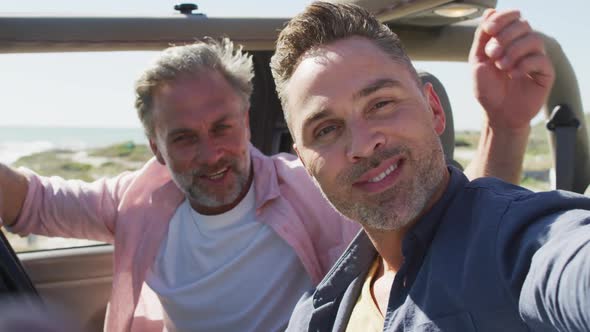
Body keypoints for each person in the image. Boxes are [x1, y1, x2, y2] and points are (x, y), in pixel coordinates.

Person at [0, 8, 554, 331]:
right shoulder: (134, 199)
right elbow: (28, 201)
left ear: (247, 117)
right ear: (156, 146)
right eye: (185, 139)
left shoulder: (314, 185)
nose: (212, 153)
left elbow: (453, 225)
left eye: (223, 127)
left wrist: (504, 129)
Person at [270, 2, 590, 331]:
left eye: (380, 104)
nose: (363, 145)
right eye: (326, 130)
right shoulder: (315, 314)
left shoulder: (517, 242)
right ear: (305, 163)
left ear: (434, 109)